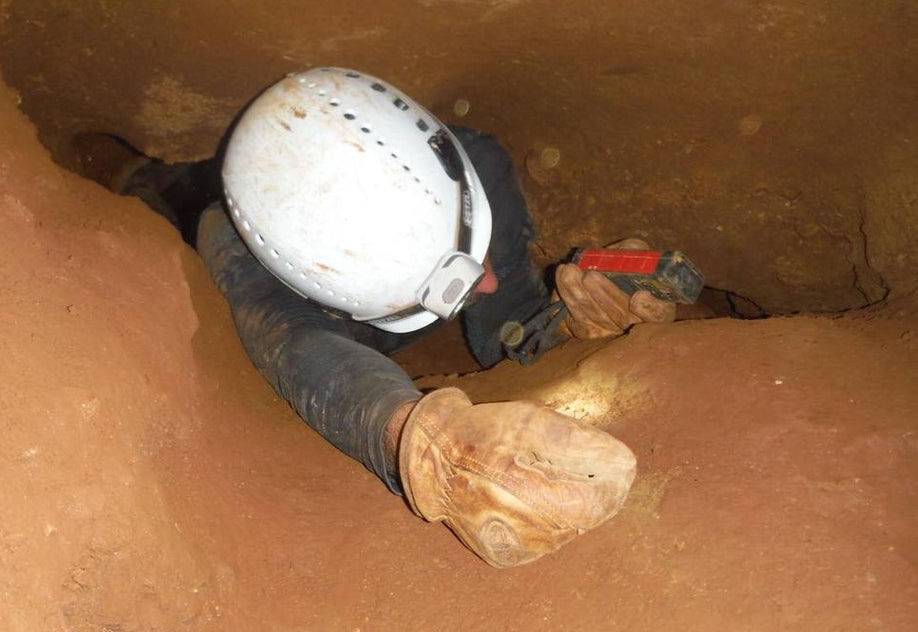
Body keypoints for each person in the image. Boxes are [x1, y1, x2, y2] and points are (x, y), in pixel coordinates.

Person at [120, 67, 675, 568]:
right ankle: (146, 187)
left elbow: (501, 322)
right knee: (165, 200)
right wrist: (424, 444)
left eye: (472, 250)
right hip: (313, 300)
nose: (489, 280)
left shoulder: (466, 168)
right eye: (446, 283)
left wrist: (566, 329)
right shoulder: (247, 256)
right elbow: (299, 347)